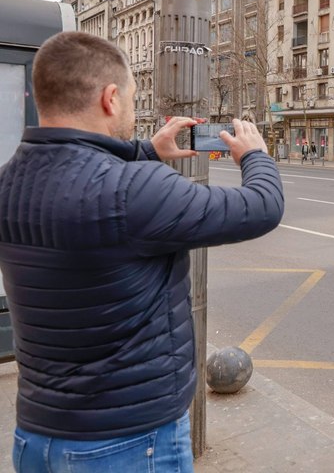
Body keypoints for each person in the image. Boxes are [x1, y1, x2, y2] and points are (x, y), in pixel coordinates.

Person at [0, 32, 284, 472]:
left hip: (38, 436)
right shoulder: (134, 190)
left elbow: (78, 180)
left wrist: (147, 150)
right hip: (128, 443)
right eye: (132, 99)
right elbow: (261, 207)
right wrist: (255, 156)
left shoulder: (9, 181)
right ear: (110, 98)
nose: (133, 112)